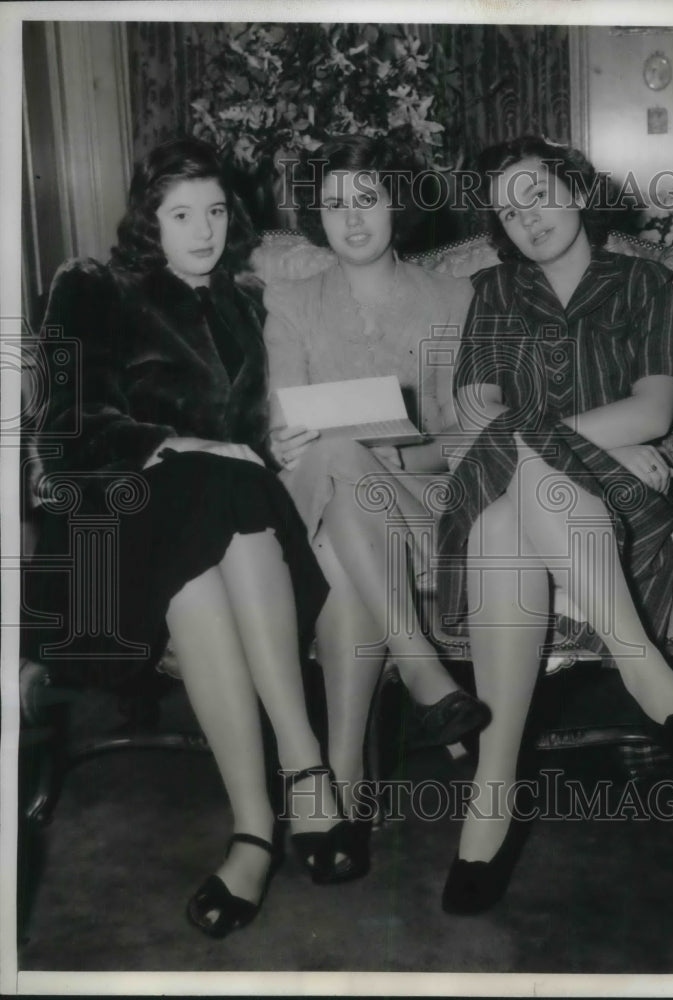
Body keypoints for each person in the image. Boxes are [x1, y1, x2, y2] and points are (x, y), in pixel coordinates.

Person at [23, 137, 367, 940]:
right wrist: (179, 445)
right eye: (181, 214)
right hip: (120, 514)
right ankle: (305, 768)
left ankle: (253, 829)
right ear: (149, 221)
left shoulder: (246, 302)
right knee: (217, 487)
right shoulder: (94, 286)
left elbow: (252, 438)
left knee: (218, 540)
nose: (203, 230)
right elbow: (65, 429)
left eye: (215, 211)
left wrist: (272, 444)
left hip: (221, 532)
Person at [436, 136, 673, 915]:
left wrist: (545, 438)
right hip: (533, 485)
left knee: (519, 491)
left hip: (613, 521)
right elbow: (473, 413)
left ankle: (491, 792)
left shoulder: (642, 280)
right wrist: (607, 442)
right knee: (513, 493)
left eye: (537, 192)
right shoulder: (491, 291)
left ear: (573, 187)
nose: (526, 217)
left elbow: (656, 410)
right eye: (506, 209)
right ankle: (642, 667)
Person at [263, 135, 491, 815]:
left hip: (417, 498)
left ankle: (339, 779)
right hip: (313, 492)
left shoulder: (453, 297)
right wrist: (283, 440)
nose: (352, 217)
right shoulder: (289, 301)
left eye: (368, 198)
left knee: (344, 535)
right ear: (317, 215)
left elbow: (469, 435)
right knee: (332, 460)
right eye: (334, 203)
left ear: (398, 205)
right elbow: (288, 424)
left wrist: (393, 456)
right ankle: (421, 671)